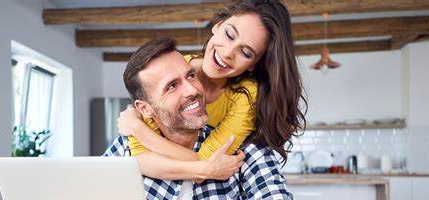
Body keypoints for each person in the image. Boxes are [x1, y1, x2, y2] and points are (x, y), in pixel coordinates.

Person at [104, 38, 301, 200]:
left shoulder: (245, 151)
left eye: (190, 76)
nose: (193, 90)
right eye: (172, 86)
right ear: (145, 109)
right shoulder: (124, 150)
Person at [117, 0, 307, 182]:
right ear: (217, 25)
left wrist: (138, 129)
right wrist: (204, 169)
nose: (227, 53)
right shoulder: (174, 65)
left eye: (246, 53)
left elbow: (207, 158)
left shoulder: (246, 96)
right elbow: (140, 158)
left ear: (253, 64)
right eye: (229, 35)